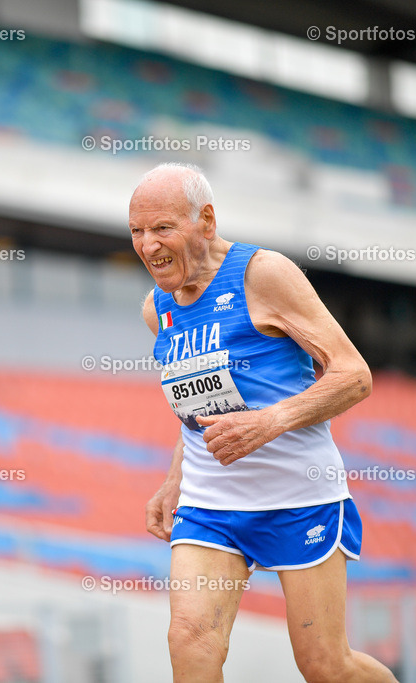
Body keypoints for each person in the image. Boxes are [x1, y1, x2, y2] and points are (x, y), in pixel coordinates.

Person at [132, 162, 397, 683]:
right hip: (210, 504)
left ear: (205, 220)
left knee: (325, 666)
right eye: (136, 231)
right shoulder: (156, 308)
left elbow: (354, 375)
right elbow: (197, 407)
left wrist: (270, 421)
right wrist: (174, 479)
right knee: (190, 644)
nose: (147, 245)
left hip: (298, 496)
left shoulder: (263, 274)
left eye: (163, 228)